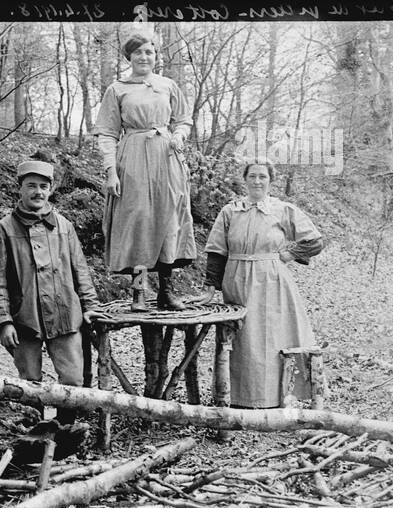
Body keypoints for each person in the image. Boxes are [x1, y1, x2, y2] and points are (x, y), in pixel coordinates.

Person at [0, 160, 104, 428]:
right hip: (24, 319)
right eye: (32, 186)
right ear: (20, 189)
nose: (38, 192)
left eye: (43, 187)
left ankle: (66, 432)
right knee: (29, 382)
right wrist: (3, 322)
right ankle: (33, 434)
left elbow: (80, 271)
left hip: (65, 315)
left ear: (50, 190)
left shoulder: (64, 226)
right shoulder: (1, 230)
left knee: (73, 380)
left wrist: (90, 306)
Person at [204, 160, 324, 408]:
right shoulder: (230, 211)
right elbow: (216, 251)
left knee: (272, 337)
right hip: (236, 280)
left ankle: (275, 397)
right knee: (243, 338)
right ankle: (237, 397)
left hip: (272, 281)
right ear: (244, 180)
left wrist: (288, 254)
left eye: (263, 177)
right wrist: (210, 288)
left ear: (270, 181)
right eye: (253, 176)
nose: (257, 181)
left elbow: (314, 242)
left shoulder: (282, 209)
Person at [94, 33, 196, 311]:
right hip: (133, 156)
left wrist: (179, 135)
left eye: (149, 52)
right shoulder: (117, 89)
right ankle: (139, 291)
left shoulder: (167, 85)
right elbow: (106, 132)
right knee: (138, 219)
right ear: (129, 57)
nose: (144, 57)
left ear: (156, 56)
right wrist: (111, 171)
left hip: (167, 157)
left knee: (168, 218)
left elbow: (184, 119)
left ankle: (166, 290)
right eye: (138, 53)